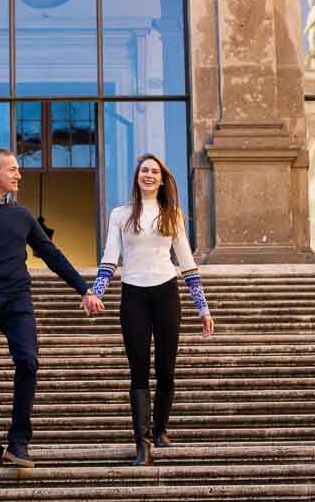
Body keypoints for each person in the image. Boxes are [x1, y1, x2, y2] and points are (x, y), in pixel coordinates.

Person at [0, 148, 103, 470]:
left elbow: (52, 255)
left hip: (17, 300)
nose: (19, 175)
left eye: (17, 169)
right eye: (12, 169)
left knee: (28, 361)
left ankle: (18, 442)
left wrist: (85, 289)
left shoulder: (23, 216)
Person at [81, 153, 215, 465]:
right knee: (138, 370)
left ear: (162, 178)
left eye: (154, 171)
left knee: (166, 369)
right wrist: (95, 292)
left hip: (166, 292)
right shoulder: (120, 214)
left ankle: (160, 429)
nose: (149, 175)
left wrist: (203, 309)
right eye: (144, 170)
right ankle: (142, 443)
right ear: (137, 176)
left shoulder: (172, 214)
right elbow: (109, 258)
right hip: (133, 296)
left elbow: (187, 264)